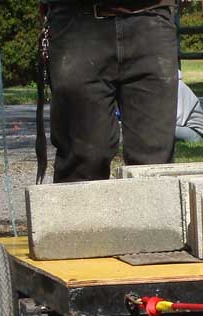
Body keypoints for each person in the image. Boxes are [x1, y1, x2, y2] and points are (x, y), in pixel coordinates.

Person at [40, 0, 178, 182]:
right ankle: (80, 210)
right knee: (84, 158)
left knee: (155, 165)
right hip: (77, 22)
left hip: (151, 18)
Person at [176, 70, 203, 143]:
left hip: (197, 132)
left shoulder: (179, 87)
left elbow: (179, 118)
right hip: (180, 128)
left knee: (160, 130)